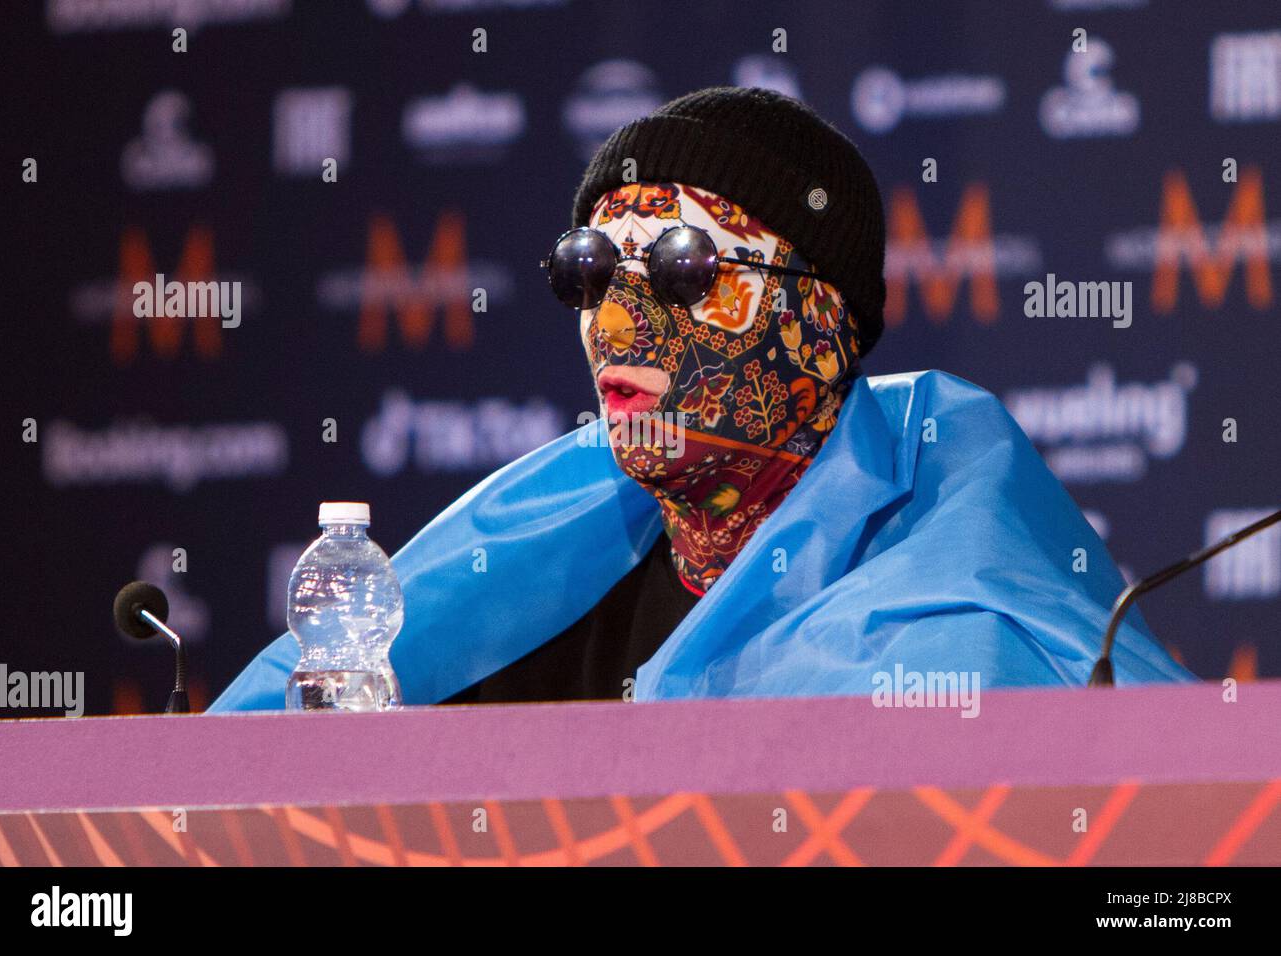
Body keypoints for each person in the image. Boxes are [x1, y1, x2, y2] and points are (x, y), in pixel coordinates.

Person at [210, 87, 1191, 712]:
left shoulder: (957, 640)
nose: (617, 323)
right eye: (587, 270)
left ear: (826, 319)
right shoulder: (511, 604)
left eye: (683, 267)